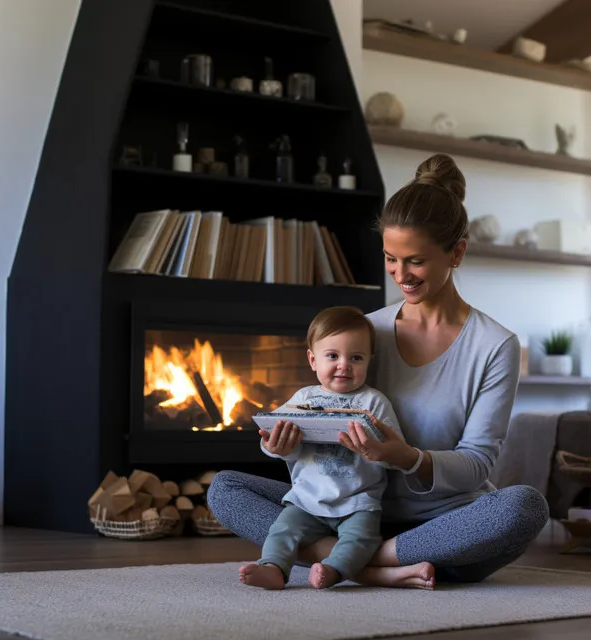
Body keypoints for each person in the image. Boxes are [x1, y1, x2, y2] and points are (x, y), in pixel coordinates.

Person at [209, 153, 549, 589]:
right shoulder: (365, 333)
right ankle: (372, 564)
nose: (401, 274)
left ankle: (368, 560)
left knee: (524, 508)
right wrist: (288, 441)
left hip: (443, 525)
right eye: (391, 258)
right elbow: (323, 416)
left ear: (457, 252)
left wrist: (405, 457)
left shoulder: (494, 345)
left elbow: (478, 464)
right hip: (349, 511)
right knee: (225, 489)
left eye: (416, 261)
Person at [240, 306, 415, 591]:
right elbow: (274, 437)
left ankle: (334, 570)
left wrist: (378, 450)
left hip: (357, 502)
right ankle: (272, 567)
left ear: (370, 360)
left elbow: (395, 454)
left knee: (362, 540)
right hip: (306, 500)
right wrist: (273, 445)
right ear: (313, 359)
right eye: (332, 356)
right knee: (282, 530)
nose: (343, 365)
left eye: (355, 358)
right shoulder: (303, 398)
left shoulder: (374, 402)